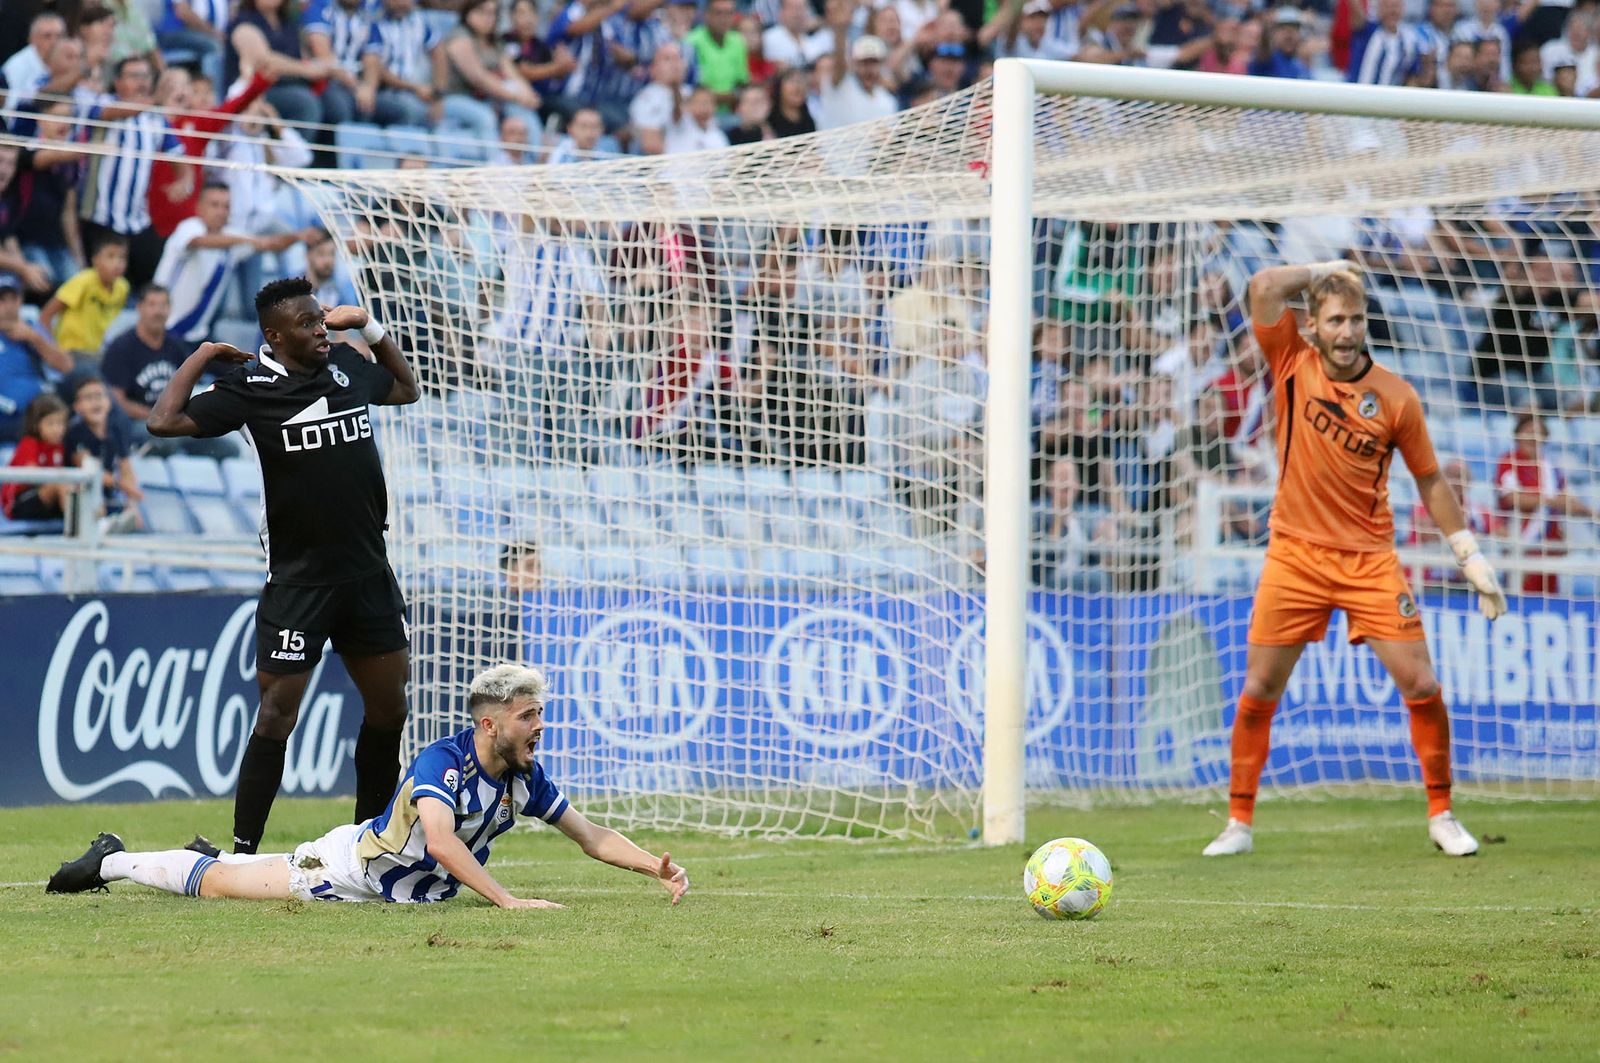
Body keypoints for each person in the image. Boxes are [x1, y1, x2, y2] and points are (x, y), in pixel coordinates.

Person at [1202, 261, 1507, 860]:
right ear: (1310, 326)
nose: (1347, 331)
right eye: (1335, 319)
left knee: (1422, 683)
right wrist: (1320, 270)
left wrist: (1466, 551)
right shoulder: (1292, 362)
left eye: (1356, 319)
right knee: (1260, 686)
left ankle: (1442, 814)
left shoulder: (1396, 397)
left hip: (1369, 560)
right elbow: (1263, 288)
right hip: (1293, 555)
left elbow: (1430, 479)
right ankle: (1238, 822)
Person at [145, 277, 422, 855]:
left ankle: (366, 846)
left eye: (322, 320)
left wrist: (368, 327)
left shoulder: (344, 363)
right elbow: (163, 422)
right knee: (276, 714)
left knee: (390, 707)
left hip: (368, 573)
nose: (321, 330)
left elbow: (406, 389)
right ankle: (244, 849)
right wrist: (200, 356)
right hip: (299, 582)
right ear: (274, 334)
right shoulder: (247, 387)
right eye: (307, 324)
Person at [46, 664, 692, 908]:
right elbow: (440, 843)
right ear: (490, 723)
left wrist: (652, 866)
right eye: (528, 716)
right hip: (347, 868)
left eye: (539, 714)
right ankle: (115, 859)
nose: (540, 726)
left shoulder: (523, 777)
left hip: (397, 891)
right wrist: (508, 901)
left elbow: (592, 834)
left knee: (231, 871)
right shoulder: (443, 764)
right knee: (219, 887)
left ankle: (216, 855)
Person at [153, 182, 317, 345]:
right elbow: (199, 241)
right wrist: (246, 240)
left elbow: (270, 244)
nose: (221, 212)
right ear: (199, 207)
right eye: (214, 205)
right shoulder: (189, 227)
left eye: (226, 206)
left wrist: (298, 237)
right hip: (166, 328)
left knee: (238, 366)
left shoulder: (231, 238)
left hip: (197, 334)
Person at [1494, 411, 1593, 595]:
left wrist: (1588, 511)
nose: (1534, 437)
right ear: (1518, 435)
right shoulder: (1509, 461)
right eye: (1529, 431)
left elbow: (1566, 499)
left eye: (1539, 433)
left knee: (1548, 596)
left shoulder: (1551, 467)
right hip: (1522, 541)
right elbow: (1512, 498)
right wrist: (1551, 500)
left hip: (1550, 545)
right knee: (1520, 595)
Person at [63, 374, 143, 533]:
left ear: (108, 402)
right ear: (77, 406)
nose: (95, 402)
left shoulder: (116, 430)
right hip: (81, 495)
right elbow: (89, 468)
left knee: (135, 519)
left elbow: (126, 467)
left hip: (108, 497)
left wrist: (132, 504)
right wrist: (125, 487)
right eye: (88, 397)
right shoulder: (74, 432)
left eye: (99, 395)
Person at [39, 233, 130, 362]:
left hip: (100, 352)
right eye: (110, 256)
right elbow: (45, 316)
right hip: (72, 352)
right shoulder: (82, 281)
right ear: (95, 260)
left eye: (122, 258)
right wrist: (54, 350)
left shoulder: (123, 287)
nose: (117, 263)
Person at [0, 277, 71, 442]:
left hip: (38, 413)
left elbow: (66, 366)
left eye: (14, 299)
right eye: (2, 300)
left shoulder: (32, 328)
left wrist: (34, 338)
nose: (9, 306)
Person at [1, 392, 73, 522]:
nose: (57, 429)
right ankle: (77, 532)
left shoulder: (59, 447)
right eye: (51, 423)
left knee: (79, 490)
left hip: (43, 501)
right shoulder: (29, 443)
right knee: (60, 485)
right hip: (18, 503)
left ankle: (99, 525)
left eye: (61, 423)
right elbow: (34, 476)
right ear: (36, 424)